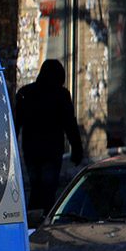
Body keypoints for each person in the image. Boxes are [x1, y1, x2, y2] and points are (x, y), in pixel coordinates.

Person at [14, 59, 84, 214]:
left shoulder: (26, 94)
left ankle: (34, 220)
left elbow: (16, 124)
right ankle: (45, 220)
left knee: (36, 187)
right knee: (48, 189)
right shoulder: (61, 95)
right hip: (52, 151)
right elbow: (70, 125)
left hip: (32, 150)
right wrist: (77, 149)